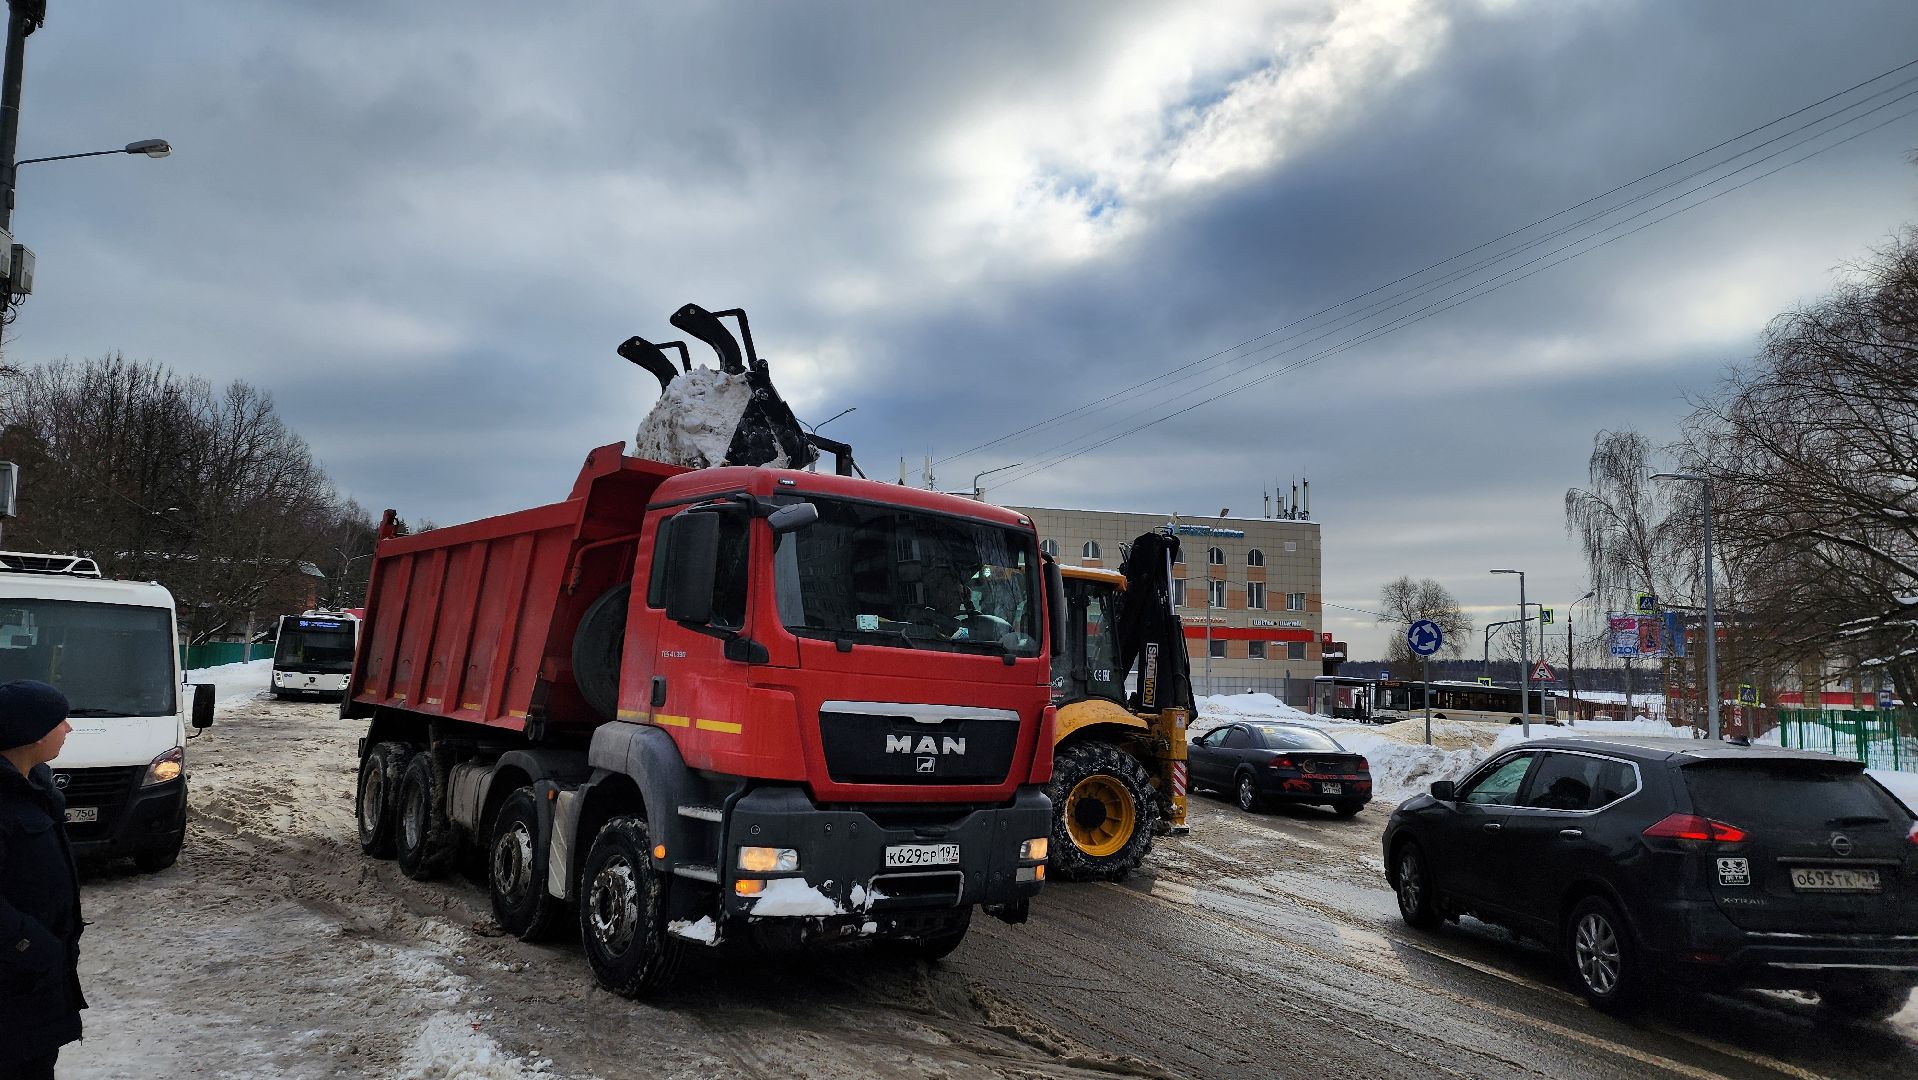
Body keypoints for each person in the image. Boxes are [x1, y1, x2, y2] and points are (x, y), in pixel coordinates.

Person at [0, 680, 86, 1080]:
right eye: (59, 720)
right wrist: (31, 945)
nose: (68, 729)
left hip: (35, 982)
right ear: (29, 732)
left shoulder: (34, 785)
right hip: (13, 979)